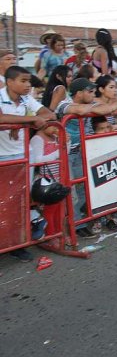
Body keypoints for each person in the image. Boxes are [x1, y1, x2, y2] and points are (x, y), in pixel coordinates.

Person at [0, 66, 56, 262]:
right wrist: (28, 121)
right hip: (3, 157)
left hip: (25, 156)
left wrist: (22, 122)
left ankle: (17, 244)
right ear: (9, 81)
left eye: (29, 81)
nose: (27, 85)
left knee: (20, 200)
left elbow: (49, 114)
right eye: (23, 81)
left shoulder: (27, 99)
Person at [56, 78, 117, 235]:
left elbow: (106, 108)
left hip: (80, 151)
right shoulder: (64, 104)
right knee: (71, 191)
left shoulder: (90, 103)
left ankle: (79, 223)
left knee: (82, 189)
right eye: (90, 92)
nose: (93, 95)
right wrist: (113, 104)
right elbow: (84, 111)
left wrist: (112, 105)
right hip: (64, 154)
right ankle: (73, 228)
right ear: (79, 93)